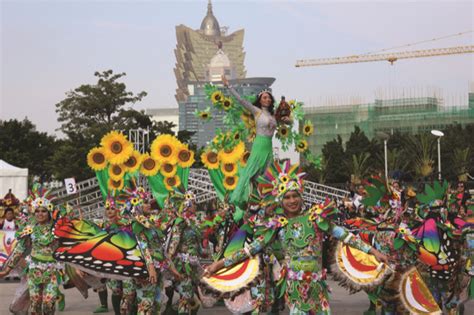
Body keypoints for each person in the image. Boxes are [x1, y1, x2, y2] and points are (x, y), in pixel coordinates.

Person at [203, 160, 389, 314]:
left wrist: (373, 251)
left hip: (317, 287)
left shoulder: (316, 217)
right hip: (294, 289)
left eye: (295, 196)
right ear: (280, 200)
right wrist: (217, 265)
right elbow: (250, 250)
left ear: (301, 196)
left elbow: (346, 236)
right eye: (287, 197)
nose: (292, 201)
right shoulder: (277, 225)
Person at [221, 75, 291, 217]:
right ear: (260, 100)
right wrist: (228, 86)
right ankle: (238, 199)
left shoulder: (273, 116)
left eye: (269, 97)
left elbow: (289, 123)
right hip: (259, 144)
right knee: (250, 173)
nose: (267, 99)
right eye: (264, 97)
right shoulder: (256, 112)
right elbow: (241, 100)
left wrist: (287, 119)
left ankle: (261, 201)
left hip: (268, 147)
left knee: (265, 176)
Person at [0, 189, 62, 315]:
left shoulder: (58, 230)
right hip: (34, 272)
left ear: (49, 212)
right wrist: (7, 269)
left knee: (49, 305)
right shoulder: (29, 230)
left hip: (52, 272)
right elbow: (19, 250)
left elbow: (71, 248)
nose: (40, 214)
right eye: (37, 211)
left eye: (43, 211)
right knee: (35, 306)